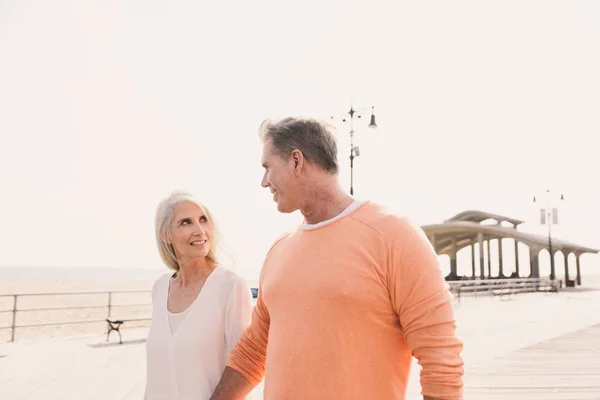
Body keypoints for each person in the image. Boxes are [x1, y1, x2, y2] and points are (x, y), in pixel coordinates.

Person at [210, 117, 464, 400]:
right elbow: (253, 351)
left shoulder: (393, 234)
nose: (263, 182)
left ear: (296, 161)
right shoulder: (279, 250)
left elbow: (441, 359)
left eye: (267, 167)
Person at [144, 191, 254, 400]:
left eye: (203, 220)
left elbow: (244, 371)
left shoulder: (231, 287)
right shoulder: (160, 288)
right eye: (186, 222)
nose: (200, 230)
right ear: (166, 235)